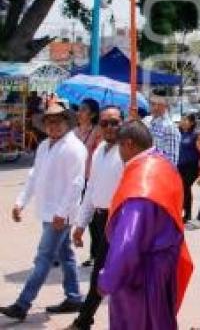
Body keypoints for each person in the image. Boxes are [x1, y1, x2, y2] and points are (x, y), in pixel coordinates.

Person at [98, 120, 193, 329]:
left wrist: (108, 279)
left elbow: (126, 241)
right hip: (163, 266)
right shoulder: (163, 164)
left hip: (142, 275)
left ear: (129, 144)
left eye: (119, 147)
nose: (119, 153)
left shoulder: (141, 184)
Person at [1, 103, 87, 322]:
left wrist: (62, 213)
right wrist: (21, 202)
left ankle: (22, 304)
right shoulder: (44, 146)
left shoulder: (74, 148)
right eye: (49, 122)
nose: (53, 125)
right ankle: (74, 297)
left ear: (67, 123)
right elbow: (33, 176)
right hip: (48, 211)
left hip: (60, 214)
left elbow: (76, 184)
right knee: (66, 255)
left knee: (43, 258)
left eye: (58, 121)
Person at [67, 106, 126, 330]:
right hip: (100, 220)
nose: (110, 127)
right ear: (99, 126)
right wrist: (81, 224)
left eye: (115, 122)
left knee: (112, 275)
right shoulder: (100, 149)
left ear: (123, 123)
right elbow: (91, 189)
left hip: (120, 222)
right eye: (105, 123)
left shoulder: (128, 151)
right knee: (100, 274)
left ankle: (84, 320)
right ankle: (84, 320)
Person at [74, 98, 101, 267]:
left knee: (94, 221)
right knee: (76, 217)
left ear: (92, 114)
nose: (79, 112)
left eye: (84, 109)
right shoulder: (74, 132)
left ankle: (96, 255)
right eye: (79, 109)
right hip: (75, 180)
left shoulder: (97, 131)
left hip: (91, 180)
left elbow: (99, 154)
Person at [144, 93, 181, 164]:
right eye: (153, 104)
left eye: (159, 104)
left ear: (166, 106)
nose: (156, 108)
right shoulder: (147, 121)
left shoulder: (170, 128)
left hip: (159, 171)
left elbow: (171, 162)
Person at [177, 113, 200, 222]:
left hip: (192, 166)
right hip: (181, 166)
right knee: (182, 189)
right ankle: (183, 211)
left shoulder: (195, 134)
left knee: (186, 188)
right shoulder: (182, 133)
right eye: (182, 120)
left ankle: (188, 214)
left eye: (185, 120)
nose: (182, 122)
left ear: (191, 122)